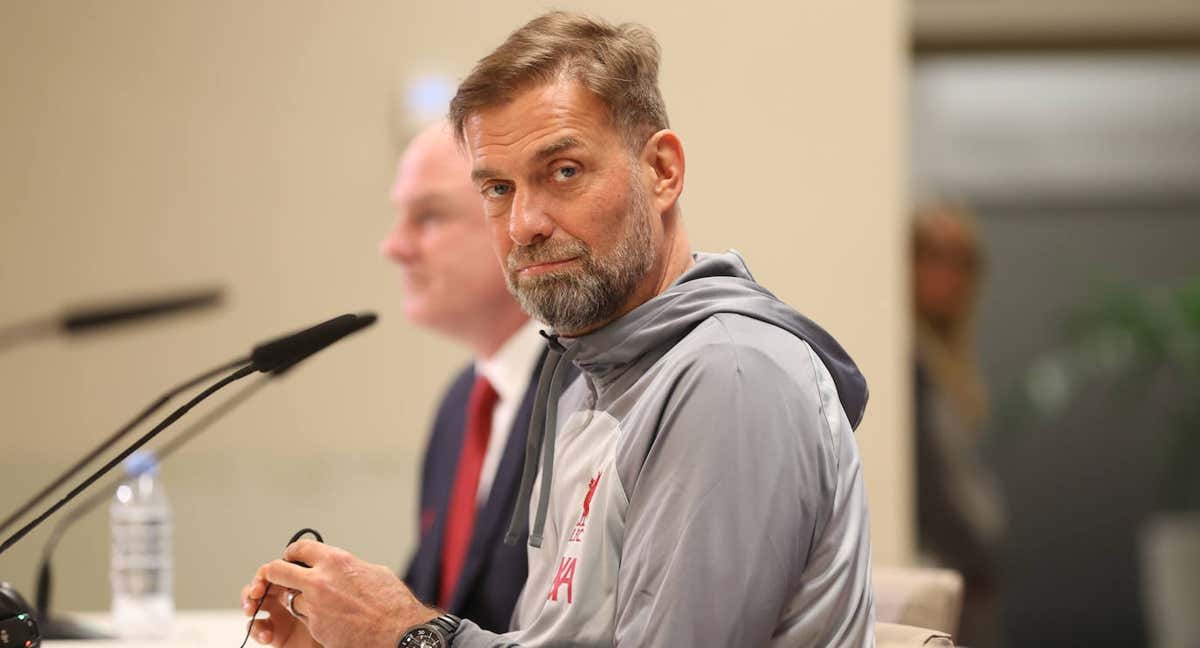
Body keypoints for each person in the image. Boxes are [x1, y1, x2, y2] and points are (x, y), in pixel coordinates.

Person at [241, 12, 875, 647]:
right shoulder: (582, 388)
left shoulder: (730, 375)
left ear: (662, 171)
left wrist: (409, 635)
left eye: (563, 171)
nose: (523, 224)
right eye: (497, 187)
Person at [384, 121, 544, 631]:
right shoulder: (459, 405)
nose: (395, 246)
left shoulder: (588, 395)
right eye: (399, 217)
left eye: (428, 216)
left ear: (512, 221)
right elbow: (432, 610)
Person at [911, 203, 1003, 647]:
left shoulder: (949, 364)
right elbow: (935, 484)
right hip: (942, 572)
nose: (948, 274)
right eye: (933, 254)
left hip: (970, 575)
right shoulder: (911, 363)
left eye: (962, 260)